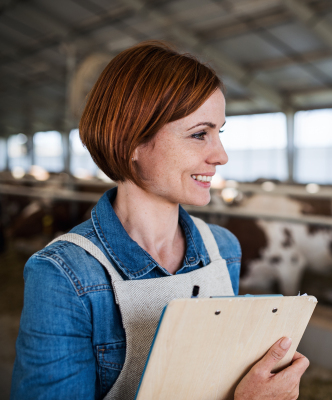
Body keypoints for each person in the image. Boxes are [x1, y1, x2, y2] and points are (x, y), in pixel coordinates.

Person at [11, 41, 309, 400]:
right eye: (200, 134)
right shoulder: (64, 275)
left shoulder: (222, 248)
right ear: (133, 141)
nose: (221, 155)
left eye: (220, 132)